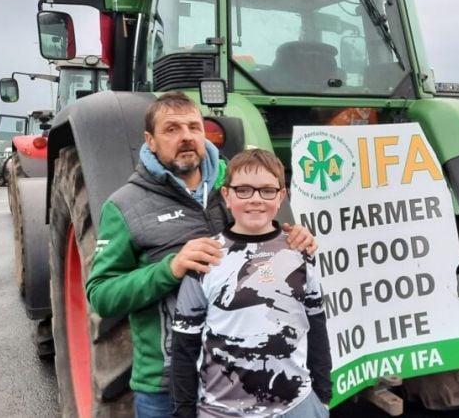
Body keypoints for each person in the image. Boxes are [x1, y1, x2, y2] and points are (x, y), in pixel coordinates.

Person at [85, 91, 317, 418]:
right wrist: (171, 268)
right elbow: (101, 295)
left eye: (194, 127)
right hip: (165, 384)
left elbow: (269, 243)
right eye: (172, 129)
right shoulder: (124, 207)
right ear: (149, 140)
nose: (186, 137)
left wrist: (294, 238)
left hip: (239, 379)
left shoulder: (235, 185)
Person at [171, 149, 331, 417]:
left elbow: (316, 325)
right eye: (243, 190)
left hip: (296, 406)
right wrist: (184, 413)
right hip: (222, 411)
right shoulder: (207, 259)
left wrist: (324, 395)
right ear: (227, 195)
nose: (256, 200)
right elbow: (184, 347)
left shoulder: (299, 252)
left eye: (267, 190)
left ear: (281, 196)